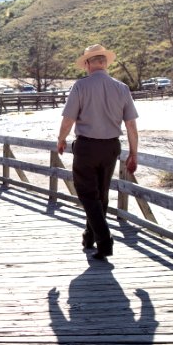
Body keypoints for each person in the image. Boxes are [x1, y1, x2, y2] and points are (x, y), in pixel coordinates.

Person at [57, 44, 138, 260]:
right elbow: (131, 125)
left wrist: (61, 139)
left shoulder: (81, 86)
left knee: (87, 194)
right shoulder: (122, 88)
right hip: (111, 147)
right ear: (104, 63)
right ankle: (89, 236)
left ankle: (104, 240)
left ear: (87, 64)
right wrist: (134, 153)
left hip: (87, 147)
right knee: (100, 195)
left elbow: (68, 119)